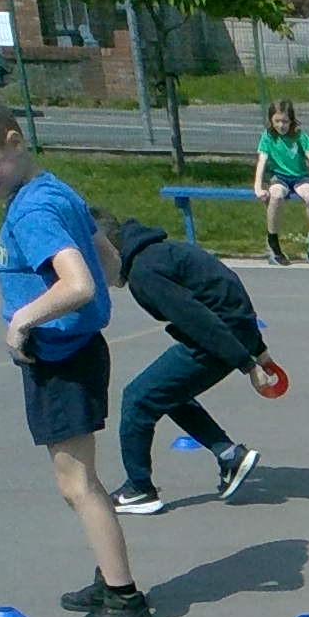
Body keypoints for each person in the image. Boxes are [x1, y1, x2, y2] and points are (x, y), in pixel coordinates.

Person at [0, 87, 157, 617]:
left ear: (14, 142)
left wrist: (22, 321)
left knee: (78, 484)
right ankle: (108, 576)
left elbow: (78, 284)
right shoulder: (53, 190)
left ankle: (124, 599)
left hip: (61, 357)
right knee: (81, 480)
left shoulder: (32, 211)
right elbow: (105, 257)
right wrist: (111, 277)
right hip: (77, 350)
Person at [95, 214, 272, 515]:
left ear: (108, 249)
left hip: (217, 339)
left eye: (94, 264)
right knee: (166, 392)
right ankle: (229, 455)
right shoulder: (159, 252)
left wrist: (249, 363)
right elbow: (230, 296)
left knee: (137, 398)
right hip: (231, 332)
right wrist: (259, 349)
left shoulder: (144, 272)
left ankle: (139, 489)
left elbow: (197, 318)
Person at [253, 100, 309, 265]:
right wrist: (258, 187)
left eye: (285, 121)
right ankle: (273, 244)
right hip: (279, 177)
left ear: (291, 120)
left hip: (300, 177)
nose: (281, 125)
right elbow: (262, 161)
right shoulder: (268, 136)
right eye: (277, 121)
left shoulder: (299, 136)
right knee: (276, 196)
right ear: (271, 120)